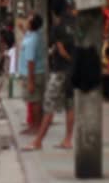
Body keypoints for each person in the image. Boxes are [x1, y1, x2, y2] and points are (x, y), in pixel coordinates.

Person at [23, 10, 75, 151]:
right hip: (73, 72)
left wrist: (68, 59)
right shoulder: (76, 26)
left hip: (59, 71)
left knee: (49, 106)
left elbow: (61, 50)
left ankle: (38, 141)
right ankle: (68, 139)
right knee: (70, 105)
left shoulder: (58, 28)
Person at [19, 13, 46, 135]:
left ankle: (35, 126)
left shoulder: (32, 41)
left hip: (33, 73)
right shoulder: (36, 35)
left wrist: (30, 81)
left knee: (34, 101)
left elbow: (31, 61)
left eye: (28, 20)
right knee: (37, 100)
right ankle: (37, 124)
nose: (26, 22)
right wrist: (23, 30)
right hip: (38, 72)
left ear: (31, 24)